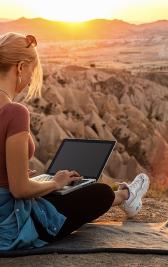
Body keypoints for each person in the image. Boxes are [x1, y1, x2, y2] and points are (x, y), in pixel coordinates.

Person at [0, 32, 150, 250]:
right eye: (32, 71)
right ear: (21, 67)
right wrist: (54, 182)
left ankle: (126, 195)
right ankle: (127, 195)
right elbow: (20, 191)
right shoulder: (14, 112)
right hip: (10, 226)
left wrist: (19, 175)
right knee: (99, 193)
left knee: (62, 193)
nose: (31, 78)